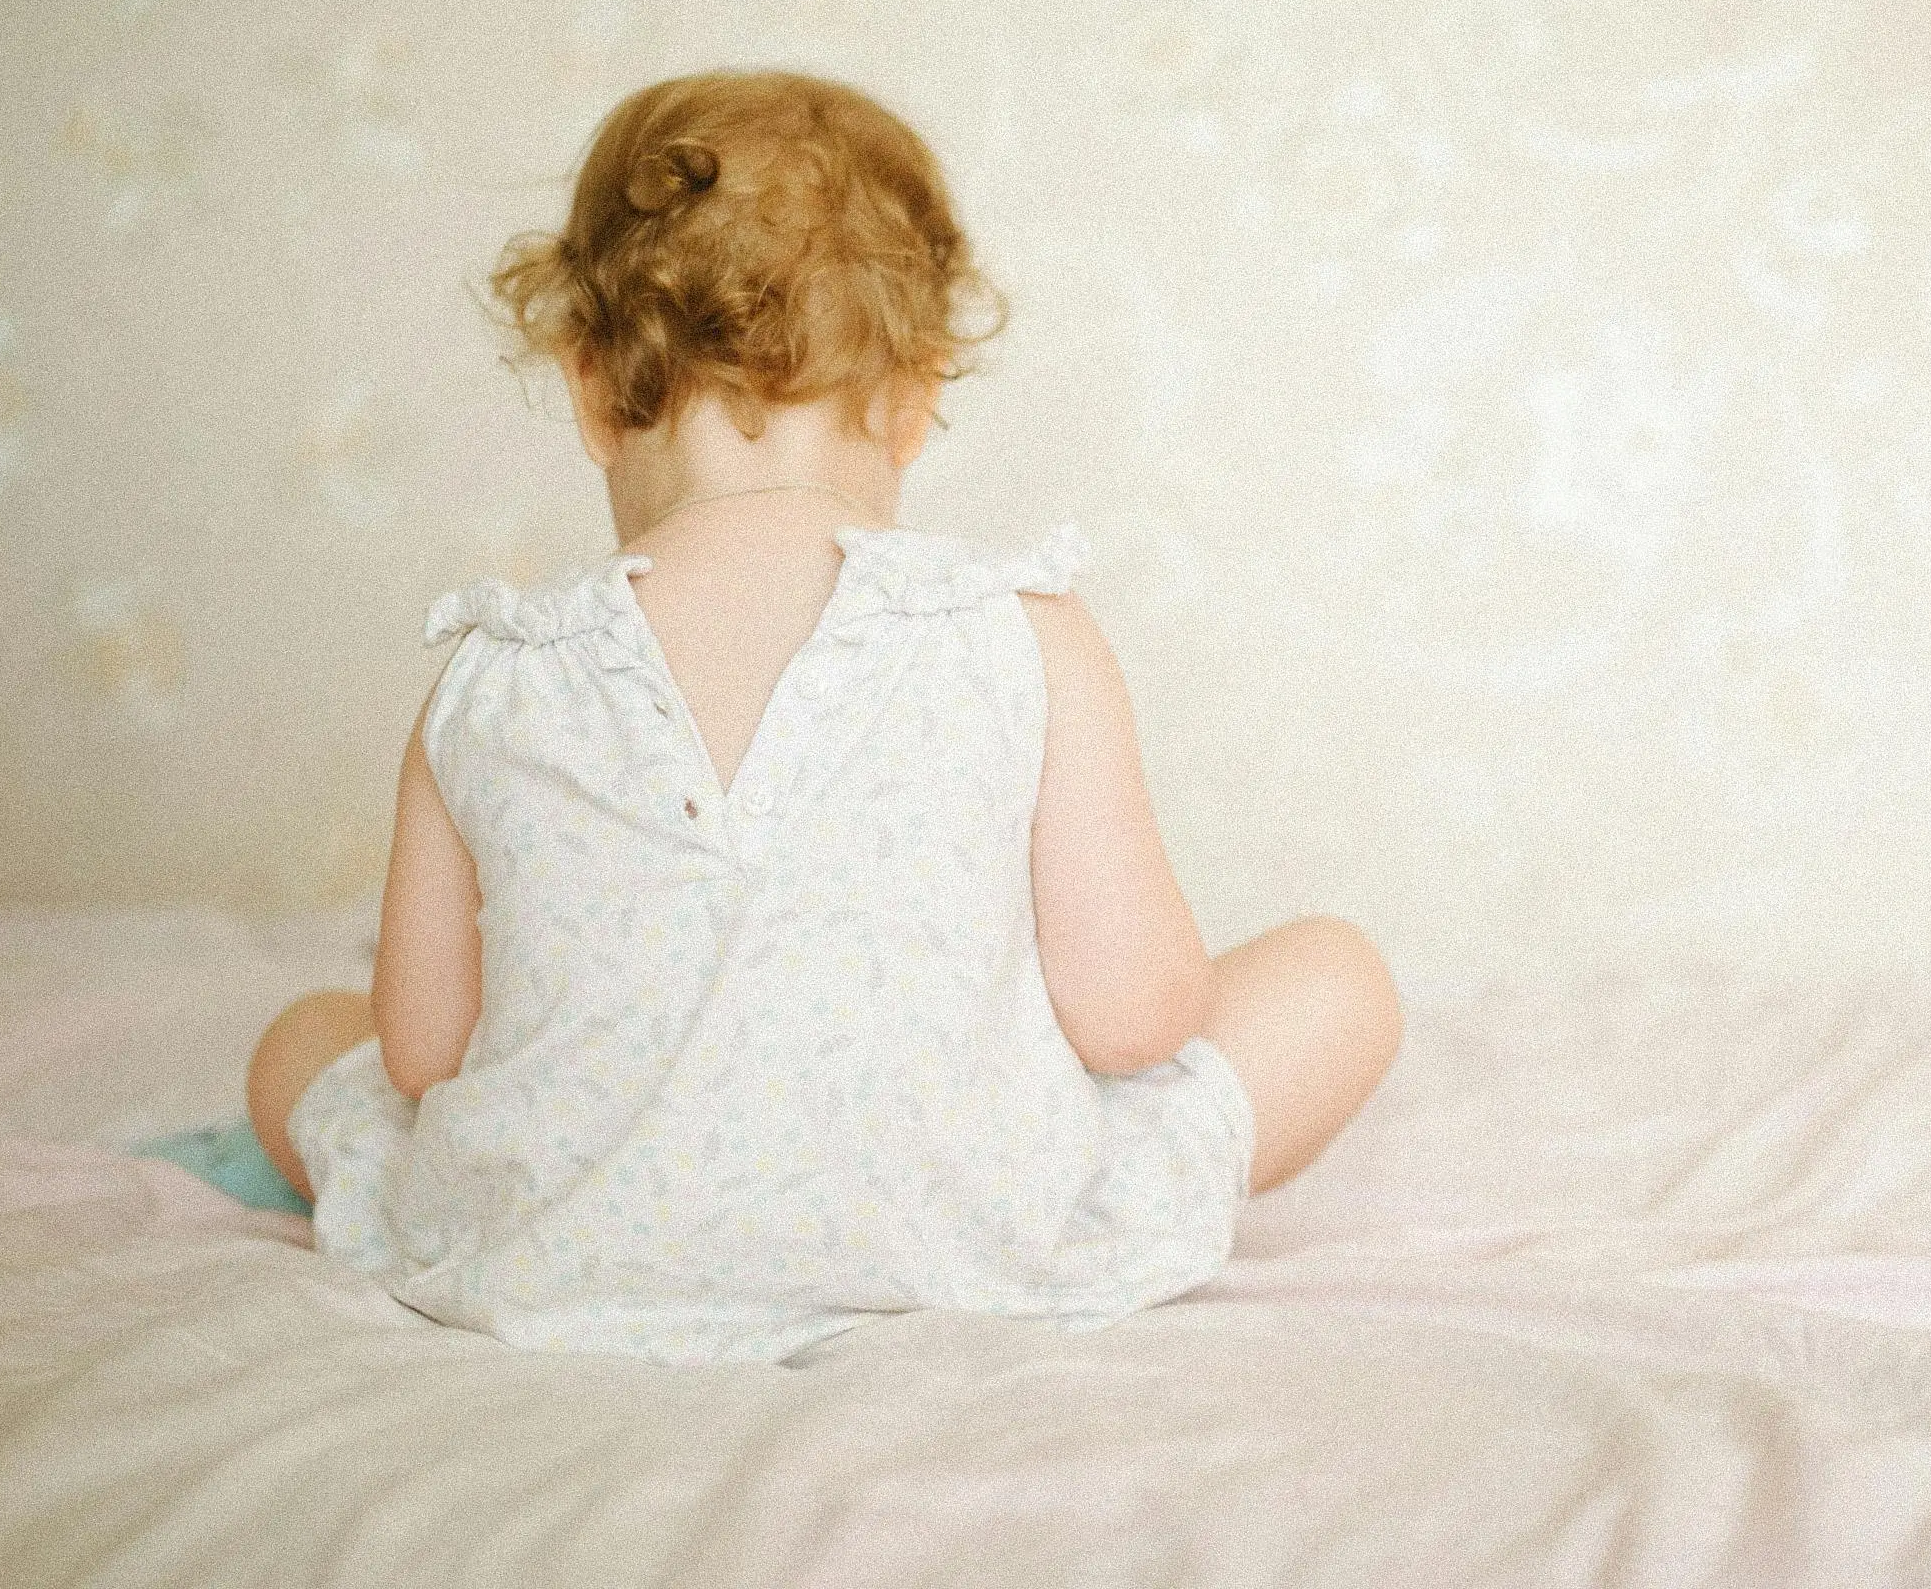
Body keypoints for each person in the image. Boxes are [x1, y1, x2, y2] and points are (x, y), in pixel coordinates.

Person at [243, 70, 1401, 1364]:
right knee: (1337, 978)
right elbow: (1135, 1019)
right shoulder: (1024, 636)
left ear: (592, 390)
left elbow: (420, 1053)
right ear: (914, 397)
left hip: (559, 1265)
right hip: (962, 1252)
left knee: (302, 1045)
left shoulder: (488, 677)